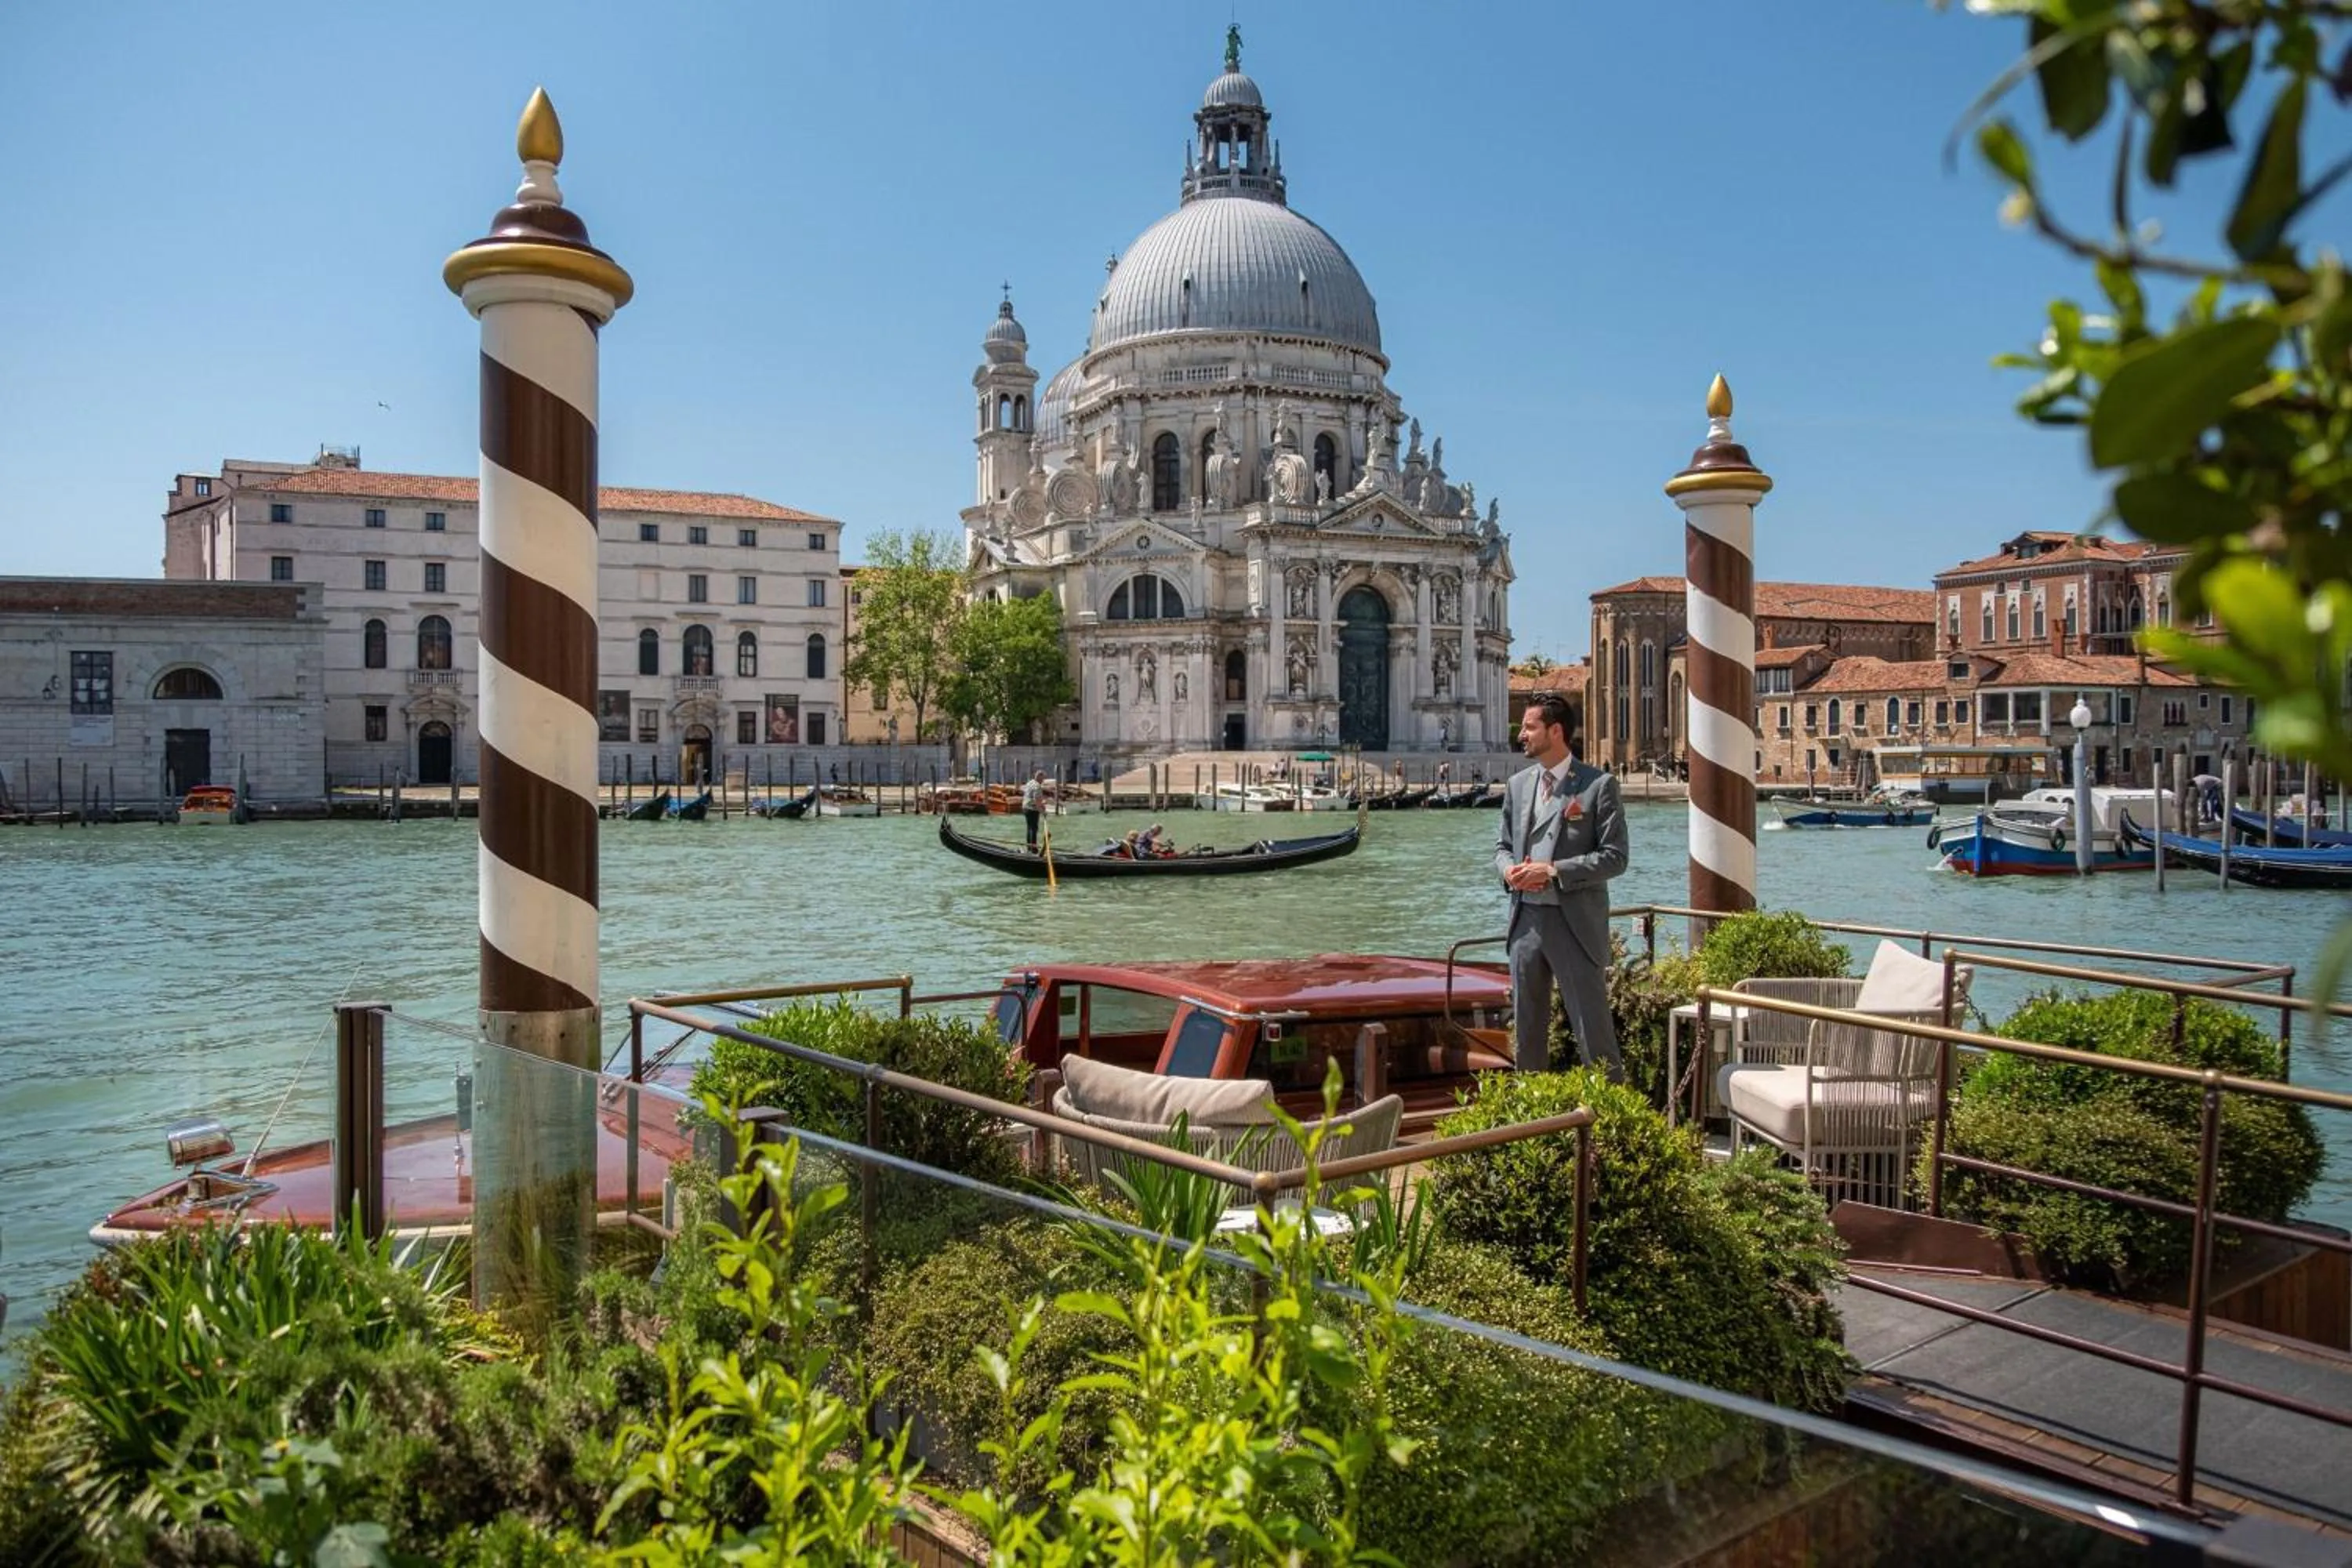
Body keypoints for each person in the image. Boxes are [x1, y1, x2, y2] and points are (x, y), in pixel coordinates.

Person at [1493, 692, 1627, 1078]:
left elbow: (1615, 858)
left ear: (1555, 731)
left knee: (1593, 1033)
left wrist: (1552, 871)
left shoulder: (1599, 785)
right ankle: (1534, 1123)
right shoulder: (1518, 786)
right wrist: (1507, 871)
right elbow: (1502, 847)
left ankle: (1610, 1125)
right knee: (1526, 1033)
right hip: (1525, 923)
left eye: (1530, 727)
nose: (1522, 735)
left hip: (1575, 925)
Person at [1021, 768, 1047, 850]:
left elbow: (1031, 798)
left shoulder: (1030, 783)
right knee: (1034, 829)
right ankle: (1034, 849)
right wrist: (1043, 812)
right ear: (1039, 777)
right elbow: (1037, 802)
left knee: (1029, 828)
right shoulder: (1037, 786)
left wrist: (1041, 804)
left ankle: (1029, 847)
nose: (1043, 781)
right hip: (1032, 809)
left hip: (1025, 808)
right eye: (1043, 778)